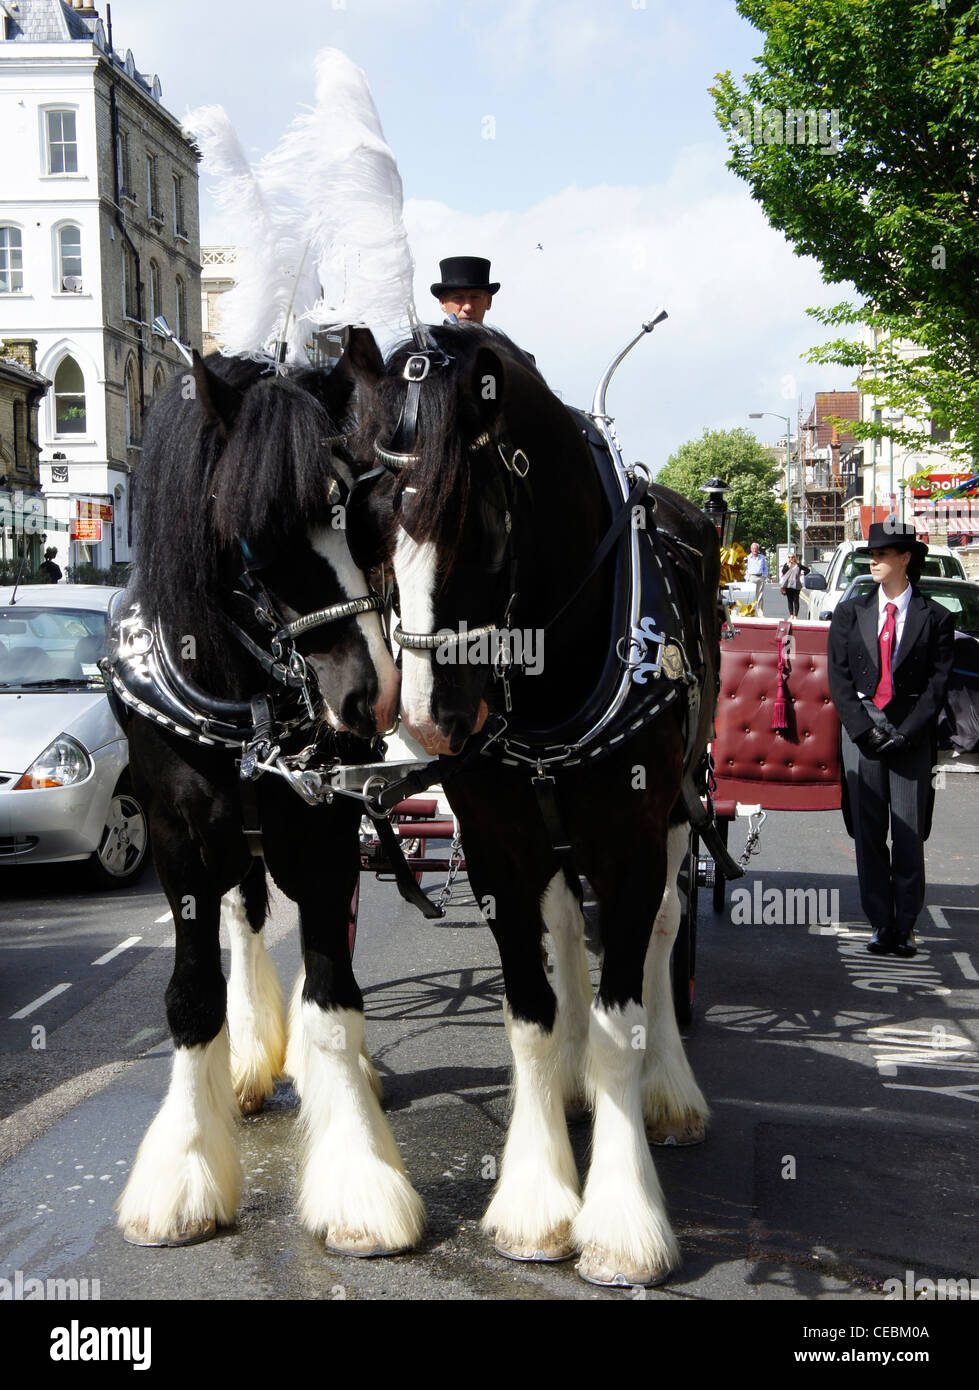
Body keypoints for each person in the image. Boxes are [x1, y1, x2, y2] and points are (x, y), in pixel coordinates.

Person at [827, 521, 954, 958]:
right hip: (862, 731)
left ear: (906, 558)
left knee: (908, 833)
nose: (874, 560)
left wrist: (906, 733)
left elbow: (938, 685)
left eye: (884, 553)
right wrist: (862, 731)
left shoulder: (936, 617)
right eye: (872, 554)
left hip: (910, 734)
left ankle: (906, 926)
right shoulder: (850, 613)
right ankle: (880, 922)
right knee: (868, 832)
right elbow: (838, 679)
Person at [431, 256, 500, 325]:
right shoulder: (425, 335)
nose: (468, 307)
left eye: (475, 297)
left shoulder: (498, 336)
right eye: (458, 298)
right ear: (442, 302)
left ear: (488, 301)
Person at [779, 550, 809, 617]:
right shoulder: (786, 565)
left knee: (796, 600)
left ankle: (796, 615)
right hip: (788, 585)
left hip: (796, 585)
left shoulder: (798, 565)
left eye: (792, 557)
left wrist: (802, 574)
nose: (791, 559)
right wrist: (788, 566)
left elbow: (807, 570)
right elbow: (783, 572)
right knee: (789, 600)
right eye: (789, 557)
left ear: (794, 558)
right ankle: (791, 614)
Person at [745, 541, 768, 615]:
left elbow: (765, 568)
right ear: (751, 549)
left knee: (760, 596)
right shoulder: (747, 557)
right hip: (751, 577)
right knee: (750, 595)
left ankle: (760, 612)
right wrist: (747, 578)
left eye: (756, 548)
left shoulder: (762, 557)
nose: (755, 550)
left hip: (760, 577)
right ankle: (749, 611)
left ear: (758, 549)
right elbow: (745, 568)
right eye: (753, 548)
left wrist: (764, 576)